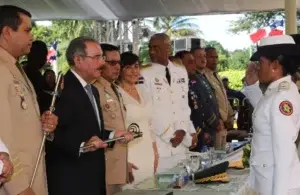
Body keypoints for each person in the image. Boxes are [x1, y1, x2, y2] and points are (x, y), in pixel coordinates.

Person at [46, 37, 133, 195]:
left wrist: (113, 135)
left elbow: (91, 132)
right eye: (97, 58)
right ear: (78, 60)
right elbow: (51, 134)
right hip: (72, 180)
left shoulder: (92, 90)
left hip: (93, 178)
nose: (102, 63)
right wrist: (82, 145)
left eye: (102, 57)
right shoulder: (62, 90)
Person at [0, 5, 58, 195]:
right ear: (7, 32)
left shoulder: (13, 66)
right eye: (27, 30)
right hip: (15, 183)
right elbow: (2, 136)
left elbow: (19, 121)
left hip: (30, 174)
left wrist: (43, 124)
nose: (32, 37)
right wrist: (18, 188)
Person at [245, 35, 300, 195]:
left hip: (276, 185)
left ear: (275, 65)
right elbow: (265, 115)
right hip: (267, 180)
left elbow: (284, 154)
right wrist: (252, 86)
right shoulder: (277, 91)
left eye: (261, 63)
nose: (257, 67)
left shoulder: (282, 97)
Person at [139, 33, 197, 173]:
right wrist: (170, 135)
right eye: (150, 47)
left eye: (157, 48)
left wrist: (189, 129)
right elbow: (147, 110)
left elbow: (183, 105)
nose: (152, 51)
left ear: (168, 48)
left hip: (182, 142)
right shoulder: (143, 74)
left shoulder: (180, 71)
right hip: (161, 143)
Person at [92, 44, 129, 195]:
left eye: (119, 62)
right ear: (101, 62)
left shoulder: (114, 88)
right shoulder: (94, 89)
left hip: (118, 165)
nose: (117, 67)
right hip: (104, 167)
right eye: (112, 63)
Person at [118, 52, 158, 185]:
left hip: (148, 151)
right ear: (120, 69)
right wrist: (123, 162)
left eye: (136, 66)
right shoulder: (116, 93)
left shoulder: (143, 90)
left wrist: (155, 151)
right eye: (128, 67)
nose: (134, 71)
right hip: (130, 153)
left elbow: (150, 124)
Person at [175, 50, 219, 151]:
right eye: (190, 62)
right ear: (180, 65)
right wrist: (199, 132)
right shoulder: (175, 87)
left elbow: (202, 106)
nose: (194, 65)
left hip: (199, 133)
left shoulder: (194, 82)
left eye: (194, 62)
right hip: (186, 136)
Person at [204, 47, 234, 149]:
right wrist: (219, 119)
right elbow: (211, 102)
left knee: (223, 155)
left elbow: (224, 98)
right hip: (215, 124)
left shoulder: (216, 75)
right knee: (216, 156)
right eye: (211, 57)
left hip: (224, 124)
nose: (215, 60)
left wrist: (230, 115)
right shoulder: (204, 76)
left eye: (216, 57)